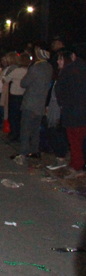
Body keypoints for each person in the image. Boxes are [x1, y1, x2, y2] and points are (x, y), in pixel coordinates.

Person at [15, 46, 53, 164]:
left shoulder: (35, 68)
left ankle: (23, 153)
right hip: (41, 103)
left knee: (26, 129)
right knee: (35, 130)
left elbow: (24, 83)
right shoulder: (49, 68)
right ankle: (34, 151)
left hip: (30, 102)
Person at [55, 50, 86, 179]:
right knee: (78, 141)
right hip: (78, 112)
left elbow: (61, 92)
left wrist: (63, 103)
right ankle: (77, 164)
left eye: (61, 59)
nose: (58, 62)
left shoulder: (69, 72)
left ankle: (77, 166)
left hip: (73, 112)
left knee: (75, 141)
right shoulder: (80, 69)